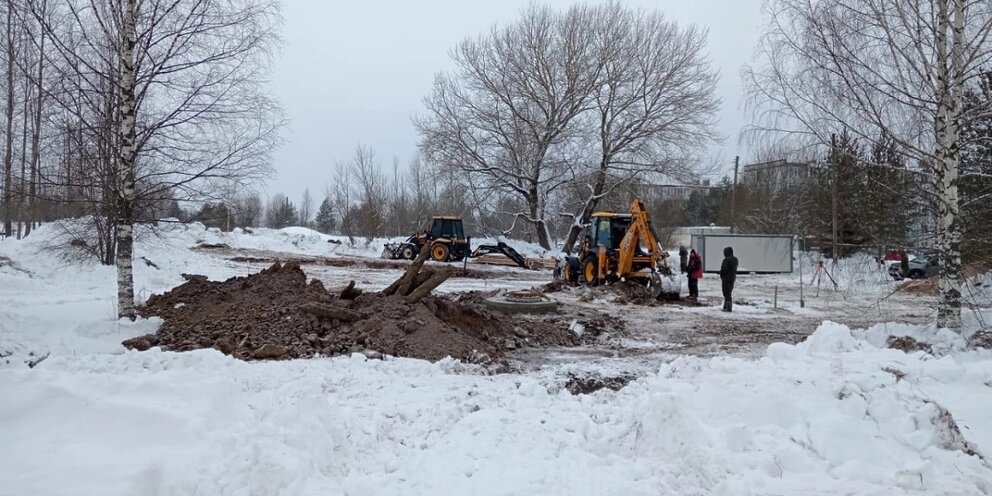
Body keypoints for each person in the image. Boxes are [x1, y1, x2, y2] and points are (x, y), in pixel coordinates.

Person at [719, 246, 738, 312]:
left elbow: (724, 269)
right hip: (732, 278)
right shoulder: (735, 259)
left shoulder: (726, 260)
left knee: (726, 293)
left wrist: (721, 274)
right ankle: (726, 306)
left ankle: (728, 307)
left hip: (726, 278)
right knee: (728, 292)